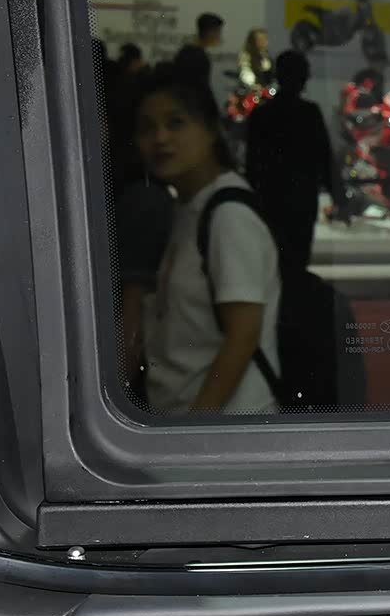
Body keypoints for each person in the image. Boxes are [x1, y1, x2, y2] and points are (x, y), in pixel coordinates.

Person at [127, 65, 282, 416]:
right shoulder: (188, 207)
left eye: (176, 122)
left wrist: (198, 425)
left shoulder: (228, 215)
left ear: (211, 130)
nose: (160, 138)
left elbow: (243, 334)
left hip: (228, 426)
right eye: (147, 128)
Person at [244, 50, 336, 277]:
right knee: (297, 261)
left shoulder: (261, 115)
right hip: (302, 198)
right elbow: (324, 156)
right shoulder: (310, 113)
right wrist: (337, 193)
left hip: (269, 197)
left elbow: (252, 162)